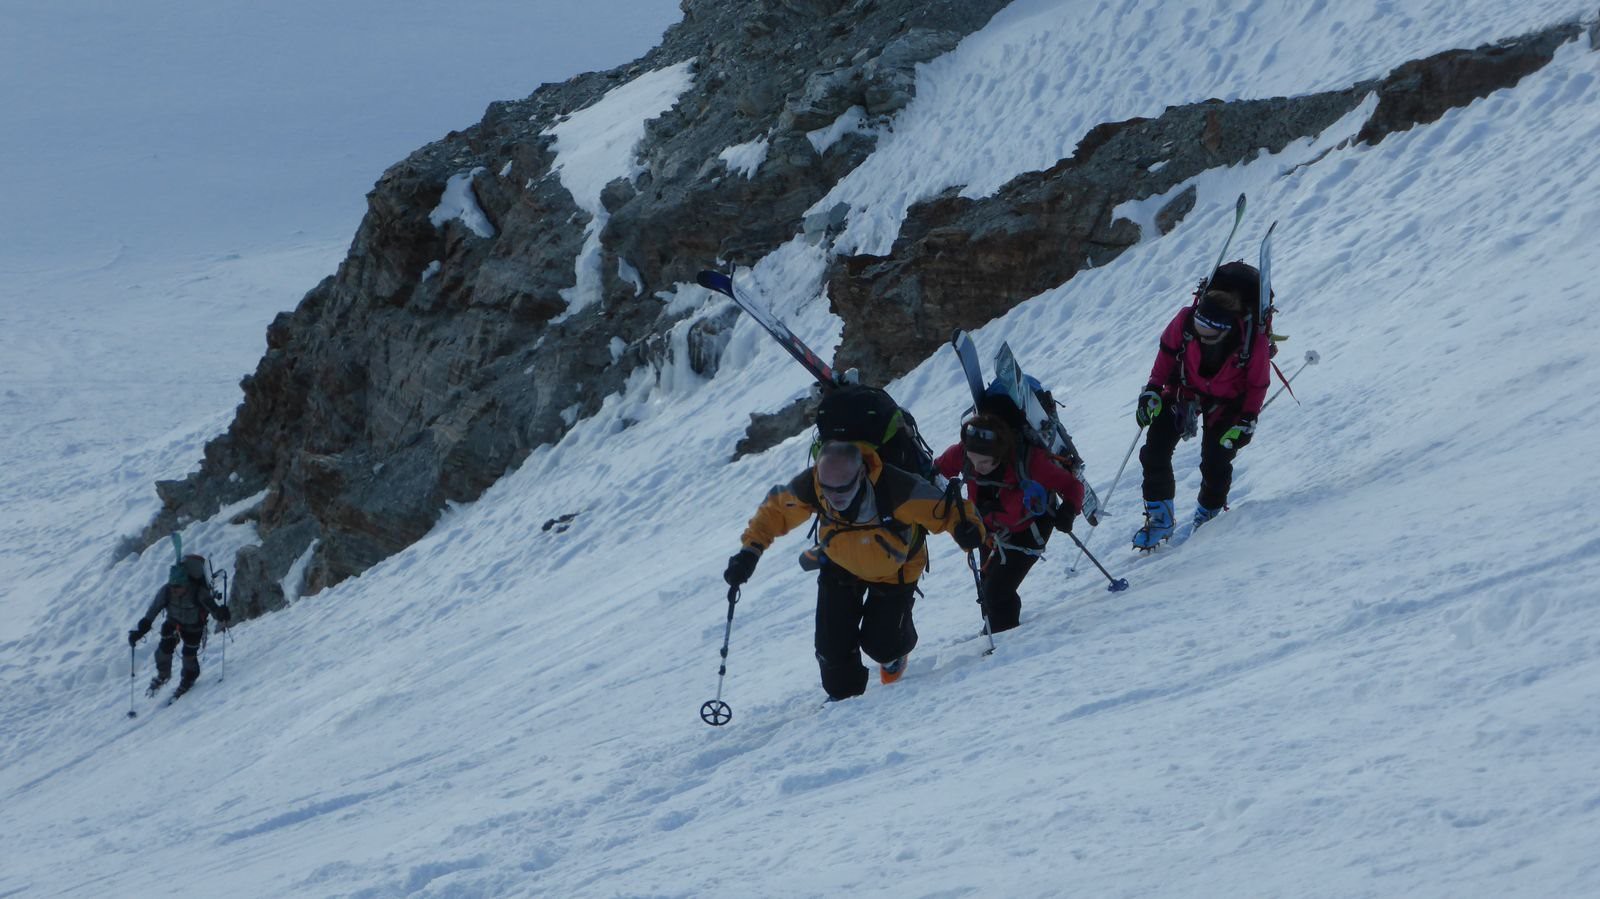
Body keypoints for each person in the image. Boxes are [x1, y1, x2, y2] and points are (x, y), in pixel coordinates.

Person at [723, 440, 984, 701]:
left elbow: (949, 510)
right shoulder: (813, 485)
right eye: (827, 489)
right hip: (840, 563)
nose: (835, 497)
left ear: (861, 474)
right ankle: (845, 706)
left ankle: (894, 652)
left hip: (896, 568)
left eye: (843, 488)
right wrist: (749, 553)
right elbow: (775, 511)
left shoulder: (898, 488)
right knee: (832, 654)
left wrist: (967, 529)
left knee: (882, 645)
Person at [1132, 261, 1271, 548]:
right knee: (1154, 450)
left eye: (1207, 335)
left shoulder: (1251, 343)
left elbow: (1258, 384)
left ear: (1226, 331)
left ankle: (1209, 516)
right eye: (1197, 330)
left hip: (1227, 403)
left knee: (1216, 461)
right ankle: (1160, 518)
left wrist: (1248, 419)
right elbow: (1167, 353)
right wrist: (1153, 389)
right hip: (1182, 391)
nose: (1199, 337)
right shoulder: (1186, 321)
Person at [935, 400, 1084, 634]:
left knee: (997, 593)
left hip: (1030, 529)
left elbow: (1072, 486)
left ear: (1000, 453)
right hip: (989, 531)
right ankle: (999, 632)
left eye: (984, 462)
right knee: (988, 590)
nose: (977, 466)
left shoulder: (1029, 461)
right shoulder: (964, 454)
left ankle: (1005, 642)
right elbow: (935, 472)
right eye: (973, 460)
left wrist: (1069, 510)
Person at [128, 553, 231, 698]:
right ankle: (163, 674)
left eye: (177, 586)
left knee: (189, 655)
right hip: (173, 623)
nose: (174, 589)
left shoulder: (198, 593)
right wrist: (140, 631)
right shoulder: (166, 591)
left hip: (194, 627)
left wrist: (221, 614)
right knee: (164, 649)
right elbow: (153, 611)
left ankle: (189, 678)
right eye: (172, 585)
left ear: (185, 584)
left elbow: (213, 609)